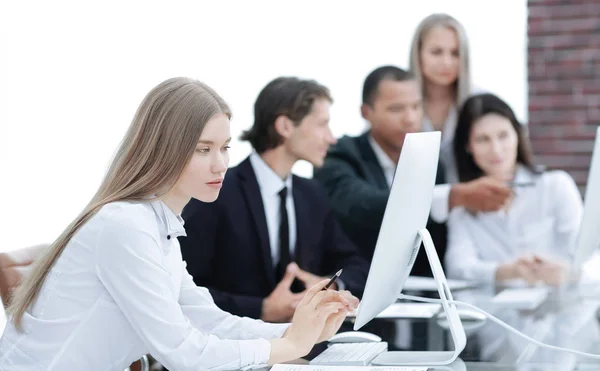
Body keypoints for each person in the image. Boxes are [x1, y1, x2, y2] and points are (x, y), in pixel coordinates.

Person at [0, 77, 358, 370]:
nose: (220, 165)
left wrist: (304, 333)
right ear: (164, 149)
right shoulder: (125, 226)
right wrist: (290, 344)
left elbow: (210, 321)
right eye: (204, 150)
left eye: (225, 148)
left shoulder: (159, 225)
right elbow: (185, 354)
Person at [180, 76, 369, 324]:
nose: (331, 138)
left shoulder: (311, 195)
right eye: (322, 124)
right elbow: (186, 291)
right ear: (285, 126)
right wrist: (260, 309)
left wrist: (331, 286)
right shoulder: (216, 193)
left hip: (304, 346)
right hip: (233, 349)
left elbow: (355, 263)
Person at [313, 66, 512, 276]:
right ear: (366, 113)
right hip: (354, 289)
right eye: (396, 109)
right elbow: (360, 204)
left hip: (421, 296)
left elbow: (436, 246)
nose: (410, 118)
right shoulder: (339, 154)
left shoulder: (430, 162)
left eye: (416, 107)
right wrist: (451, 196)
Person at [445, 93, 582, 286]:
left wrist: (567, 272)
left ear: (517, 134)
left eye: (503, 136)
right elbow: (457, 269)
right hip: (492, 313)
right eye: (483, 139)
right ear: (468, 146)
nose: (496, 149)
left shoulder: (555, 186)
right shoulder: (464, 206)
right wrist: (507, 271)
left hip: (562, 309)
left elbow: (586, 254)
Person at [409, 13, 476, 184]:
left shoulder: (478, 103)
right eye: (436, 52)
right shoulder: (398, 102)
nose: (447, 62)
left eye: (455, 53)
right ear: (418, 54)